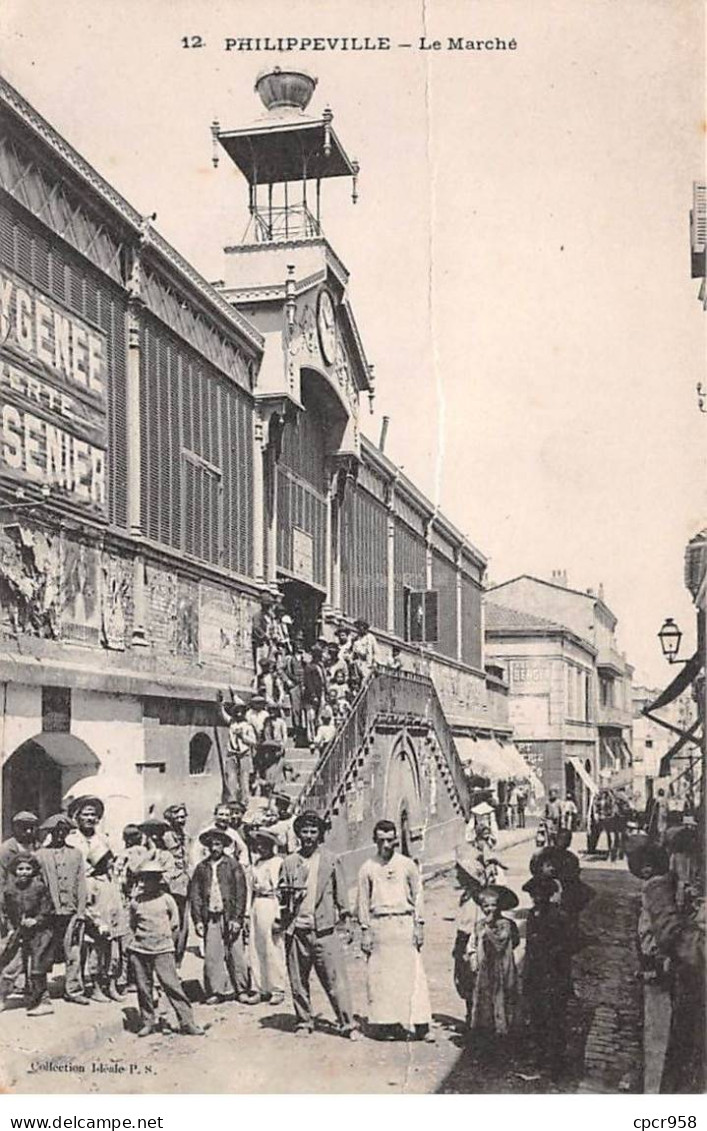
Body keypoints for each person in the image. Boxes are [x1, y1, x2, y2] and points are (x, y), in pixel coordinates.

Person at [278, 811, 357, 1039]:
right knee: (298, 980)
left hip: (324, 931)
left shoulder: (331, 860)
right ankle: (304, 1021)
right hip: (297, 930)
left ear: (320, 834)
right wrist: (286, 900)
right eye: (305, 831)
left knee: (335, 980)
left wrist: (346, 918)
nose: (309, 836)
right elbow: (281, 897)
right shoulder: (289, 862)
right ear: (298, 834)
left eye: (313, 831)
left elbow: (341, 894)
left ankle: (347, 1023)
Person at [357, 819, 433, 1042]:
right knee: (383, 977)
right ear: (374, 841)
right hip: (380, 925)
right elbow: (363, 901)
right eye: (381, 841)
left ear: (397, 840)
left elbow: (418, 896)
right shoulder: (367, 868)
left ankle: (421, 1025)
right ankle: (387, 1024)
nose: (386, 845)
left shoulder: (407, 865)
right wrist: (365, 930)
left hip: (404, 923)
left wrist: (419, 925)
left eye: (390, 840)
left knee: (413, 975)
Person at [128, 860, 203, 1037]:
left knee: (172, 985)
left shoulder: (167, 899)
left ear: (158, 880)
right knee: (143, 987)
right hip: (140, 949)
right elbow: (131, 924)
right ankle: (148, 1022)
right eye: (143, 880)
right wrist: (134, 946)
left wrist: (169, 946)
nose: (145, 884)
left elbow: (175, 925)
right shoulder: (136, 902)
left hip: (163, 949)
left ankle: (187, 1022)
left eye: (149, 879)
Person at [189, 827, 249, 1005]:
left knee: (236, 953)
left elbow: (241, 893)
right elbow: (196, 895)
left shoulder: (233, 866)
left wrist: (237, 919)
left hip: (229, 915)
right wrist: (198, 920)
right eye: (211, 845)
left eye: (218, 844)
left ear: (224, 846)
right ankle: (215, 990)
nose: (214, 848)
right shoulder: (202, 868)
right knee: (212, 954)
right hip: (211, 916)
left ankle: (241, 989)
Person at [522, 874, 575, 1077]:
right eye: (534, 895)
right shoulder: (532, 915)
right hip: (536, 974)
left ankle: (556, 1061)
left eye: (541, 895)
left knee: (556, 1018)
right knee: (537, 1016)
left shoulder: (559, 917)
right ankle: (540, 1055)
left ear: (549, 895)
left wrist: (556, 961)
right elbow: (529, 948)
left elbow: (569, 945)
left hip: (554, 975)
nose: (537, 899)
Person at [36, 812, 89, 1005]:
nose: (60, 834)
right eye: (56, 831)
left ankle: (73, 990)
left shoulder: (76, 854)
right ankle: (39, 993)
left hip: (71, 912)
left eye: (64, 831)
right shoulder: (40, 855)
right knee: (42, 951)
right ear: (51, 832)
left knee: (74, 950)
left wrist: (81, 911)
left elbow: (81, 884)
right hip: (49, 914)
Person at [0, 853, 54, 1016]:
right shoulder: (9, 890)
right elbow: (7, 913)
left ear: (33, 870)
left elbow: (47, 910)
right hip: (20, 932)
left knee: (37, 967)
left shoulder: (40, 887)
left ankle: (43, 1001)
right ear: (14, 870)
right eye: (20, 869)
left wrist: (36, 920)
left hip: (40, 932)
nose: (24, 872)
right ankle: (2, 997)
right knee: (11, 966)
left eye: (28, 869)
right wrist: (10, 928)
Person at [464, 885, 520, 1042]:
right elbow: (473, 942)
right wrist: (473, 958)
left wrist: (488, 929)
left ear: (499, 906)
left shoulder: (505, 924)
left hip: (502, 965)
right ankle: (486, 1029)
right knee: (485, 995)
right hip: (485, 967)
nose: (489, 909)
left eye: (493, 905)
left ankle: (505, 1030)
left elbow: (502, 942)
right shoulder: (479, 924)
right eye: (485, 906)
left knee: (504, 993)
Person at [248, 829, 287, 1005]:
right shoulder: (256, 864)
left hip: (271, 904)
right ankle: (259, 987)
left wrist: (280, 915)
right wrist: (247, 914)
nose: (261, 848)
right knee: (256, 947)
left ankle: (277, 988)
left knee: (273, 946)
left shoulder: (278, 862)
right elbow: (251, 888)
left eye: (265, 845)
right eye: (258, 845)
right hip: (257, 904)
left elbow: (282, 891)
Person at [84, 848, 127, 1002]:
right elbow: (86, 907)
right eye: (109, 859)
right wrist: (97, 923)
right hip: (99, 928)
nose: (112, 862)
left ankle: (111, 987)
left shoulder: (114, 879)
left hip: (115, 926)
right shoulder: (92, 882)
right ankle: (96, 989)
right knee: (97, 959)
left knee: (114, 959)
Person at [163, 803, 192, 964]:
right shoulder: (166, 836)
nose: (181, 820)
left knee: (183, 924)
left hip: (185, 882)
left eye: (183, 817)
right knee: (173, 923)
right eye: (177, 817)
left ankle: (178, 959)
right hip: (171, 883)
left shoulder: (186, 836)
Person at [218, 694, 257, 804]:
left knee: (244, 779)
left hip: (244, 754)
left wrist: (243, 737)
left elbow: (254, 742)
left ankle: (245, 801)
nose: (239, 713)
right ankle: (232, 801)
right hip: (232, 754)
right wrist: (220, 704)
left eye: (241, 711)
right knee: (231, 778)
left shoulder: (248, 726)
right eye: (237, 711)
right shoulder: (232, 723)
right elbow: (223, 715)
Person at [0, 811, 39, 892]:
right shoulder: (5, 849)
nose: (29, 832)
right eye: (25, 828)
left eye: (31, 828)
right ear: (16, 828)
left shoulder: (38, 847)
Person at [66, 797, 110, 862]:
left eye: (93, 814)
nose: (89, 818)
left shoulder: (103, 839)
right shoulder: (69, 839)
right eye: (85, 815)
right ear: (77, 817)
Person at [302, 646, 327, 744]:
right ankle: (311, 738)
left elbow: (323, 680)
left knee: (318, 716)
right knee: (311, 717)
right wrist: (313, 695)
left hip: (320, 693)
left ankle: (318, 736)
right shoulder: (309, 667)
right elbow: (308, 682)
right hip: (310, 696)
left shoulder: (320, 666)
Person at [351, 619, 377, 684]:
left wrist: (374, 663)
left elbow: (375, 651)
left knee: (366, 680)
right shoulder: (356, 639)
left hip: (367, 663)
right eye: (358, 627)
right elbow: (353, 652)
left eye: (361, 627)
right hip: (358, 663)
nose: (359, 629)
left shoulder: (370, 637)